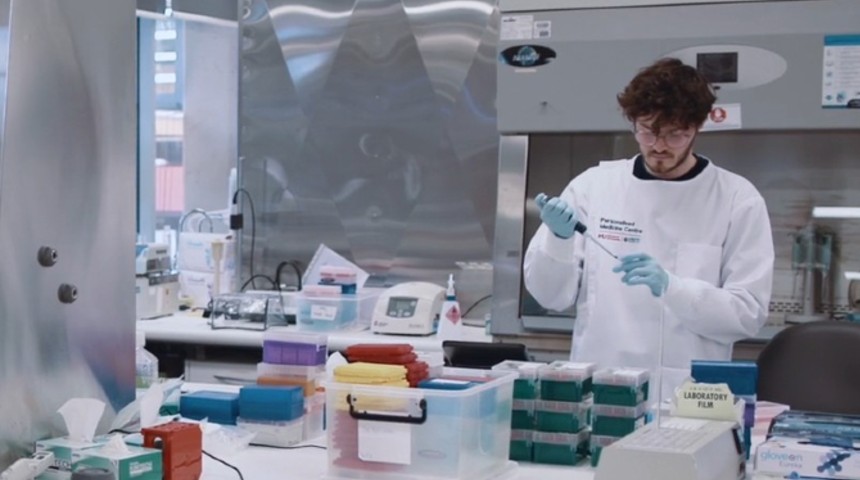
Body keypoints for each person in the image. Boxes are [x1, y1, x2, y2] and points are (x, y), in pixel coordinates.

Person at [523, 58, 774, 400]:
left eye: (675, 134)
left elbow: (747, 314)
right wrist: (558, 241)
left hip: (689, 396)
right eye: (648, 130)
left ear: (698, 127)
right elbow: (550, 296)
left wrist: (674, 288)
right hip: (601, 389)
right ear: (632, 123)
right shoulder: (594, 187)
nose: (658, 145)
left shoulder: (736, 199)